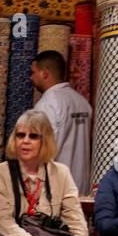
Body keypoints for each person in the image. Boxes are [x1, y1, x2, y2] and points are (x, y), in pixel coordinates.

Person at [30, 50, 92, 194]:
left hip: (57, 188)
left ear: (44, 73)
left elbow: (43, 151)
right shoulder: (82, 102)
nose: (31, 78)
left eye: (33, 72)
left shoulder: (47, 105)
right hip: (81, 185)